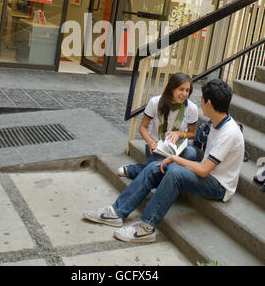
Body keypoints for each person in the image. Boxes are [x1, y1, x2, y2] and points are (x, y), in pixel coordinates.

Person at [83, 79, 245, 243]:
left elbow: (204, 170)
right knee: (155, 166)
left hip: (219, 185)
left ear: (209, 103)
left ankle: (146, 227)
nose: (200, 103)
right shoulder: (217, 123)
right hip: (208, 174)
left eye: (202, 99)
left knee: (175, 173)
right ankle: (117, 212)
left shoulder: (228, 132)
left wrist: (175, 159)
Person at [118, 72, 198, 179]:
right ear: (171, 88)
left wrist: (179, 134)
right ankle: (133, 170)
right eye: (181, 89)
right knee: (159, 167)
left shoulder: (192, 108)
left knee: (191, 153)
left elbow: (192, 133)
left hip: (176, 149)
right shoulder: (155, 102)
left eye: (187, 90)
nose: (184, 94)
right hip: (156, 146)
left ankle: (145, 169)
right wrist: (150, 142)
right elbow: (143, 127)